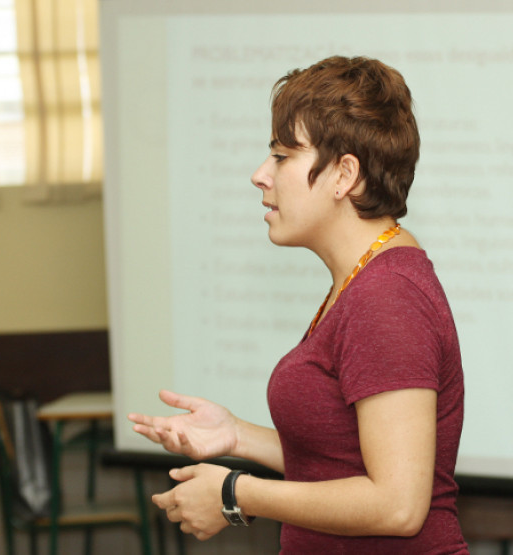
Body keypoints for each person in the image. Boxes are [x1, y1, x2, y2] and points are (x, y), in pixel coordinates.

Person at [128, 55, 469, 554]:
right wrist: (236, 437)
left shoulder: (387, 297)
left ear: (343, 175)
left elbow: (398, 504)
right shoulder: (364, 282)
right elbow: (342, 465)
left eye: (283, 156)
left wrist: (234, 493)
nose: (260, 174)